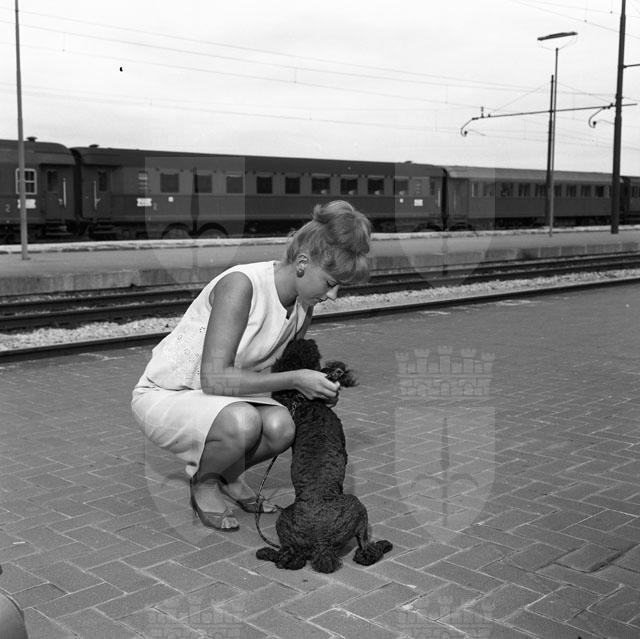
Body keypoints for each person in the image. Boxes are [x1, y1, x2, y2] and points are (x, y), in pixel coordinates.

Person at [132, 200, 371, 531]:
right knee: (244, 422)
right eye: (330, 283)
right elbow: (214, 378)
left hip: (220, 399)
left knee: (282, 425)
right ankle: (204, 482)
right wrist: (296, 378)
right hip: (168, 393)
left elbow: (275, 378)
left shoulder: (303, 307)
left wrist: (314, 389)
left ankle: (227, 475)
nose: (333, 295)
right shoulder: (242, 285)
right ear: (303, 262)